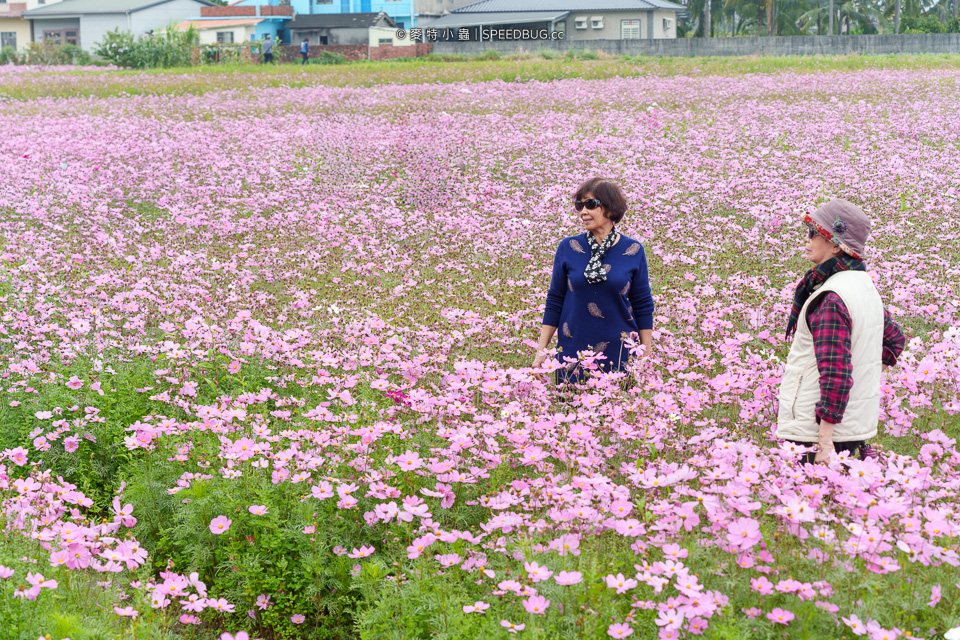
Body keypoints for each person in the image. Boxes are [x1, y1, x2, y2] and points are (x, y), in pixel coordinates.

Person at [777, 199, 905, 464]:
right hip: (851, 427)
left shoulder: (832, 297)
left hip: (817, 435)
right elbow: (895, 342)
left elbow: (836, 372)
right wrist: (859, 355)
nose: (807, 239)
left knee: (811, 500)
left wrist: (824, 440)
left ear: (836, 245)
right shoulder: (862, 284)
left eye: (814, 233)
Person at [533, 178, 654, 385]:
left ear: (610, 207)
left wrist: (646, 355)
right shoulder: (568, 247)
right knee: (569, 413)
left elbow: (643, 304)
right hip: (572, 351)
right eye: (579, 205)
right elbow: (555, 300)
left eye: (590, 204)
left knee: (617, 413)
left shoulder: (633, 250)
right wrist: (541, 352)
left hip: (620, 352)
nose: (583, 211)